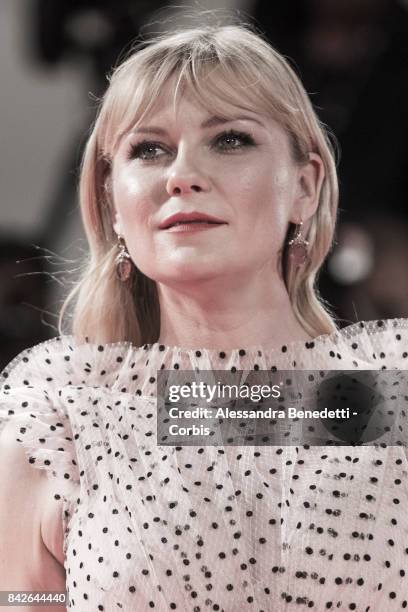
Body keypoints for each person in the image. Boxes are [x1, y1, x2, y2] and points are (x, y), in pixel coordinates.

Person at [1, 23, 408, 612]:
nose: (182, 175)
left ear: (305, 186)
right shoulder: (58, 418)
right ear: (113, 202)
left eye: (231, 140)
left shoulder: (388, 393)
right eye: (149, 149)